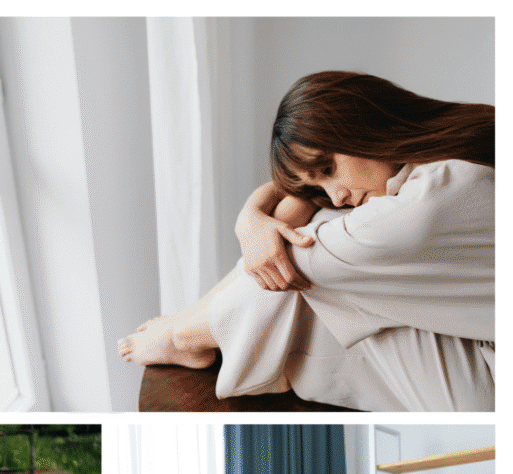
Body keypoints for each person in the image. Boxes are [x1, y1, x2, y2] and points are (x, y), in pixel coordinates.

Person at [119, 72, 494, 411]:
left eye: (329, 169)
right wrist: (253, 217)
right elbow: (298, 207)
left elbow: (291, 258)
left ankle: (186, 338)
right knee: (321, 234)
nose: (337, 195)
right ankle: (189, 327)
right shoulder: (459, 152)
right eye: (319, 183)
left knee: (302, 266)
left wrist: (180, 328)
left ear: (364, 123)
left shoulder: (426, 205)